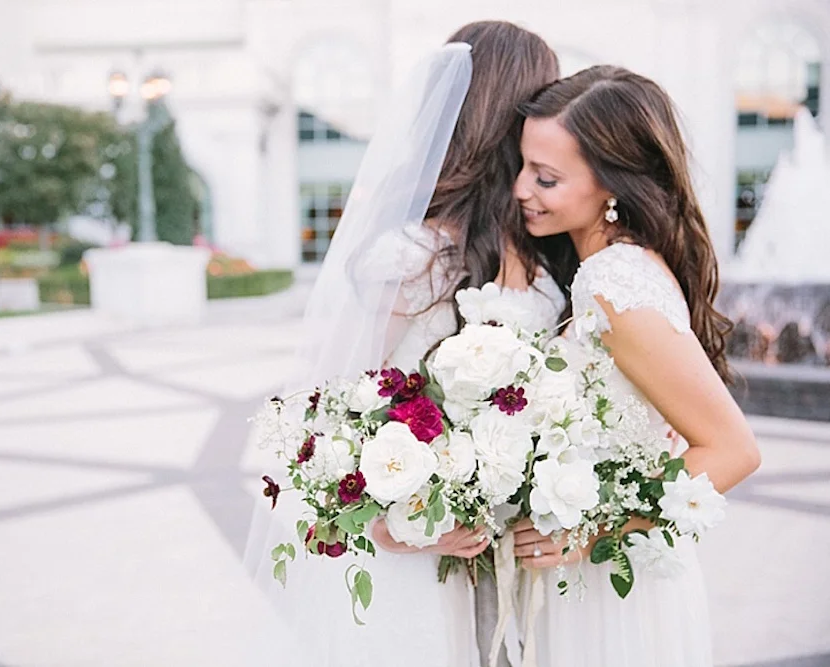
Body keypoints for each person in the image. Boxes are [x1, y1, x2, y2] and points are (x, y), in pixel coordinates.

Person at [243, 21, 566, 667]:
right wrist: (388, 524)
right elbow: (326, 412)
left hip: (510, 554)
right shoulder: (415, 257)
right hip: (421, 555)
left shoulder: (539, 245)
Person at [511, 64, 761, 666]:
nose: (520, 189)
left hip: (611, 590)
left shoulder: (614, 282)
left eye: (545, 177)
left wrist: (592, 530)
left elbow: (732, 450)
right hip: (598, 579)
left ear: (611, 183)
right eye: (521, 167)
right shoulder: (606, 270)